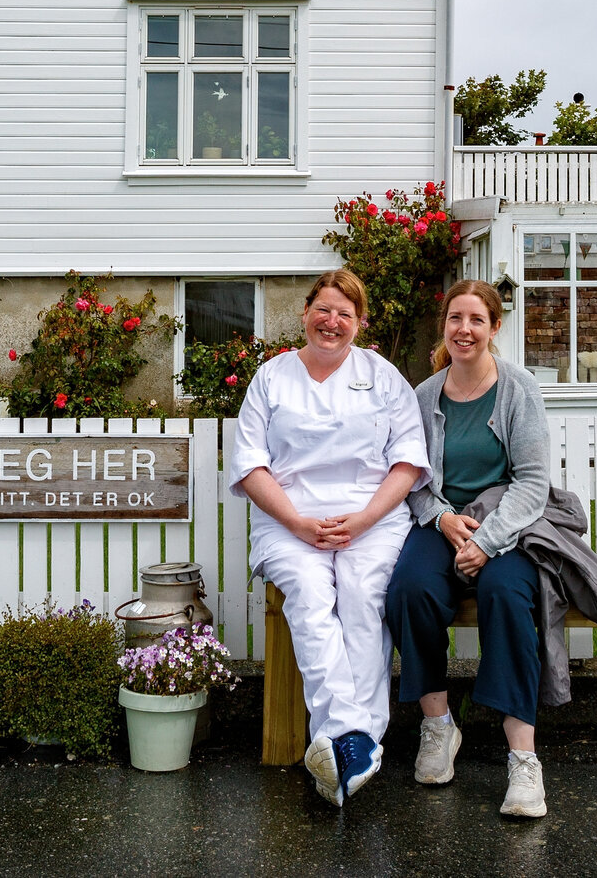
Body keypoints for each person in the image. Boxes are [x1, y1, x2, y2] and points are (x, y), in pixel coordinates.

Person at [229, 269, 429, 807]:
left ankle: (349, 744)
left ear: (360, 323)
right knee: (313, 598)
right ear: (305, 313)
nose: (332, 321)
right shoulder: (271, 378)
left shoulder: (384, 377)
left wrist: (362, 520)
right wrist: (297, 523)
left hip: (373, 521)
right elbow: (251, 466)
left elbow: (407, 462)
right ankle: (352, 738)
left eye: (345, 313)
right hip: (290, 523)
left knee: (364, 598)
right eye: (323, 309)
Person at [386, 279, 553, 819]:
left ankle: (523, 759)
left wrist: (486, 539)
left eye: (476, 320)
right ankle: (438, 726)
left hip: (508, 528)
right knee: (409, 589)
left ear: (494, 327)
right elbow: (412, 479)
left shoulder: (519, 389)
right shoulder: (424, 396)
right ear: (445, 325)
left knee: (507, 598)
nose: (464, 329)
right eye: (456, 318)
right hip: (442, 525)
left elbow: (531, 482)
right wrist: (442, 519)